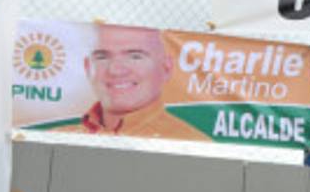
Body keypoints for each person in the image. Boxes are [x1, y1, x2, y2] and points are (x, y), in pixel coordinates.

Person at [49, 24, 204, 141]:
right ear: (88, 68)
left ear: (166, 68)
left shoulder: (190, 143)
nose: (115, 70)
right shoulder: (58, 137)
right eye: (102, 57)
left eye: (135, 56)